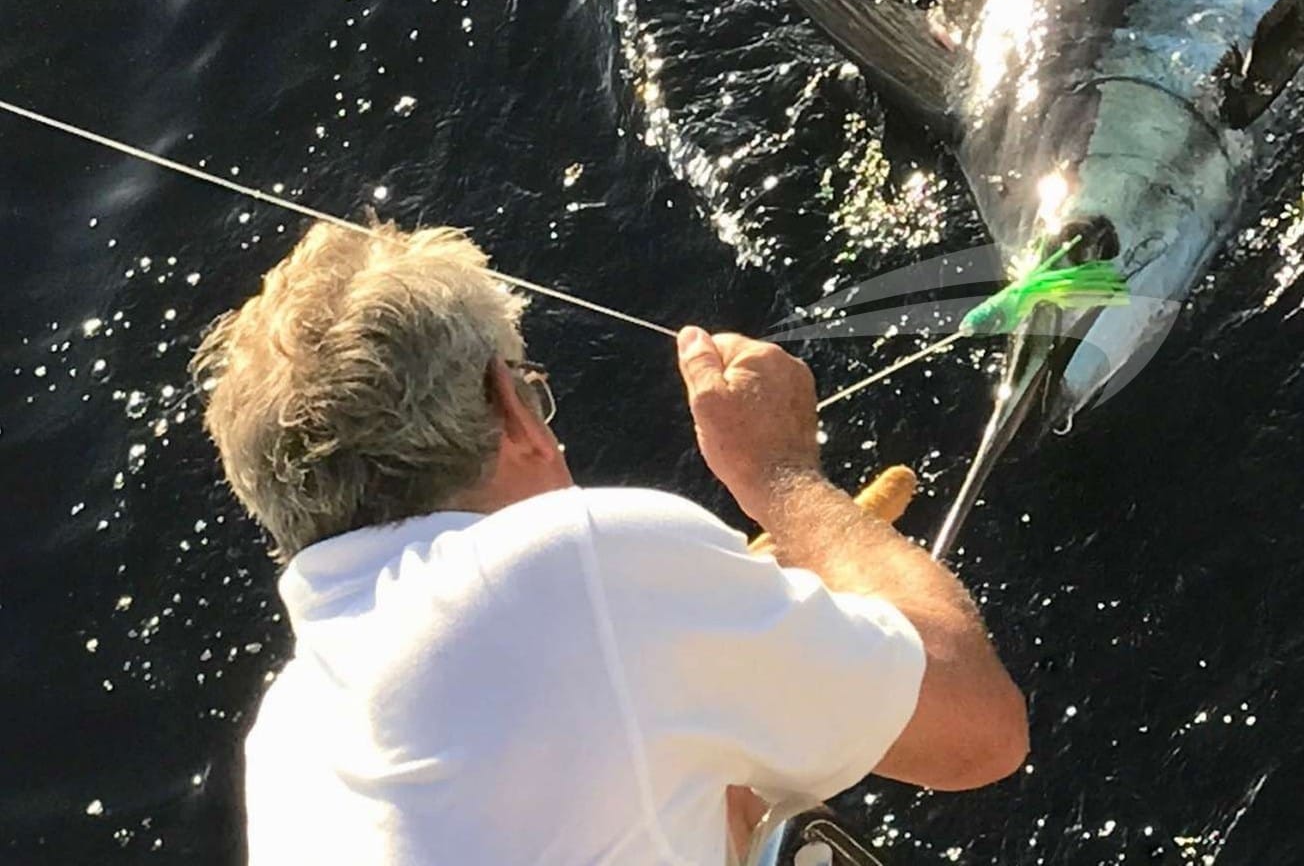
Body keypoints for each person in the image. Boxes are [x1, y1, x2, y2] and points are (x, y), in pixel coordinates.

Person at [191, 221, 1028, 865]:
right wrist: (780, 475)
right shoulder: (568, 563)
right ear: (513, 406)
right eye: (534, 389)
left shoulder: (287, 742)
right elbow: (981, 732)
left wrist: (705, 651)